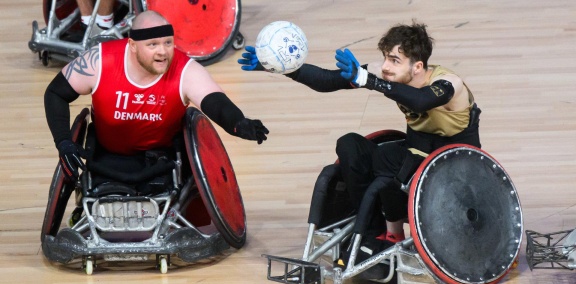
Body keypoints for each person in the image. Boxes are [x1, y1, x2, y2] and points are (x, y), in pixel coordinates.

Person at [238, 21, 480, 258]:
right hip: (413, 153)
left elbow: (421, 100)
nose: (385, 66)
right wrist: (281, 67)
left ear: (417, 67)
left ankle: (393, 233)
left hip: (454, 164)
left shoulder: (449, 83)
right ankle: (372, 233)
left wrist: (371, 81)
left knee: (387, 158)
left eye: (394, 60)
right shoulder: (390, 74)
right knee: (350, 145)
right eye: (385, 57)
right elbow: (328, 81)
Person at [45, 10, 269, 184]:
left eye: (168, 43)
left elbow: (216, 102)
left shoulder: (185, 69)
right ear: (132, 46)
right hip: (106, 156)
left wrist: (238, 124)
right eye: (152, 45)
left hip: (164, 159)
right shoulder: (100, 61)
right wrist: (64, 141)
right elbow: (55, 93)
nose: (163, 52)